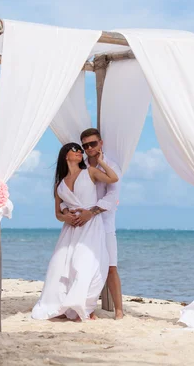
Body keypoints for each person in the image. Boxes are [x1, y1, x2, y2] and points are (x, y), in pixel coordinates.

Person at [31, 142, 119, 321]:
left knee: (86, 264)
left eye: (81, 150)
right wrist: (67, 217)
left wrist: (100, 162)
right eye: (75, 150)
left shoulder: (90, 172)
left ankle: (85, 306)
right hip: (70, 229)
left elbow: (113, 178)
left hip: (91, 224)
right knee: (64, 267)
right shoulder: (60, 184)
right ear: (66, 155)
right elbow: (57, 213)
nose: (80, 152)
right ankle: (66, 305)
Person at [64, 128, 124, 320]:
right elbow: (68, 190)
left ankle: (119, 310)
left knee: (111, 266)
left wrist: (93, 212)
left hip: (105, 223)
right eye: (86, 145)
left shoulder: (111, 166)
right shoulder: (79, 166)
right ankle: (85, 307)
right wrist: (68, 213)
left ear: (101, 143)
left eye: (93, 143)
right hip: (81, 223)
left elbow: (113, 195)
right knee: (80, 265)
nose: (89, 147)